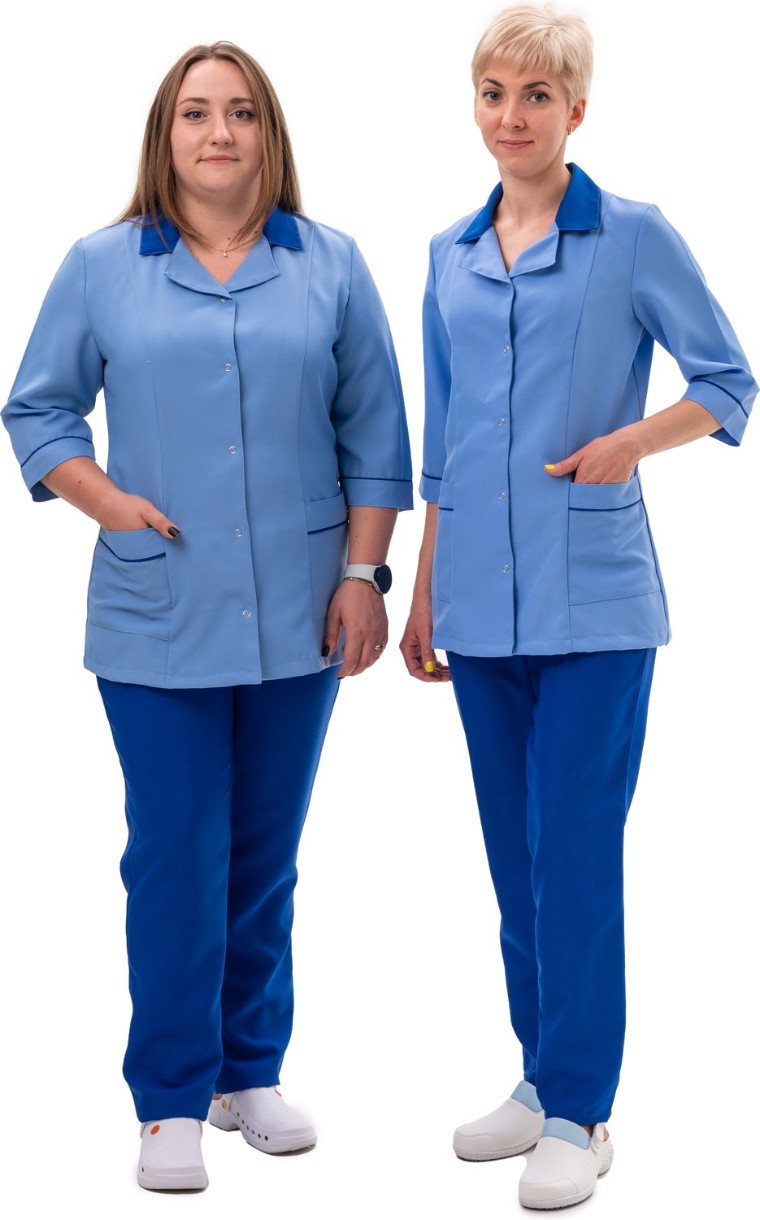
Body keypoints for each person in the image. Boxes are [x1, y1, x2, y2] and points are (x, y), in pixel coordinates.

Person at [3, 41, 412, 1192]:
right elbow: (37, 409)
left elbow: (376, 433)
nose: (218, 131)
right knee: (176, 852)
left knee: (264, 853)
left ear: (268, 131)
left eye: (239, 112)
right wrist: (109, 503)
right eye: (195, 112)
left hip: (301, 608)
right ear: (165, 133)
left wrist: (363, 575)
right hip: (158, 608)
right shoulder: (102, 266)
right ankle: (170, 1096)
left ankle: (248, 1069)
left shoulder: (330, 264)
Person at [400, 3, 755, 1210]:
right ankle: (539, 1072)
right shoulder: (448, 254)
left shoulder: (632, 237)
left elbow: (726, 378)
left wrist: (630, 442)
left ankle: (582, 1113)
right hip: (478, 606)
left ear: (576, 110)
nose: (512, 116)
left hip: (595, 606)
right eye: (494, 93)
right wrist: (424, 587)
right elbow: (444, 442)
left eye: (537, 95)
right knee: (515, 855)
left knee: (574, 851)